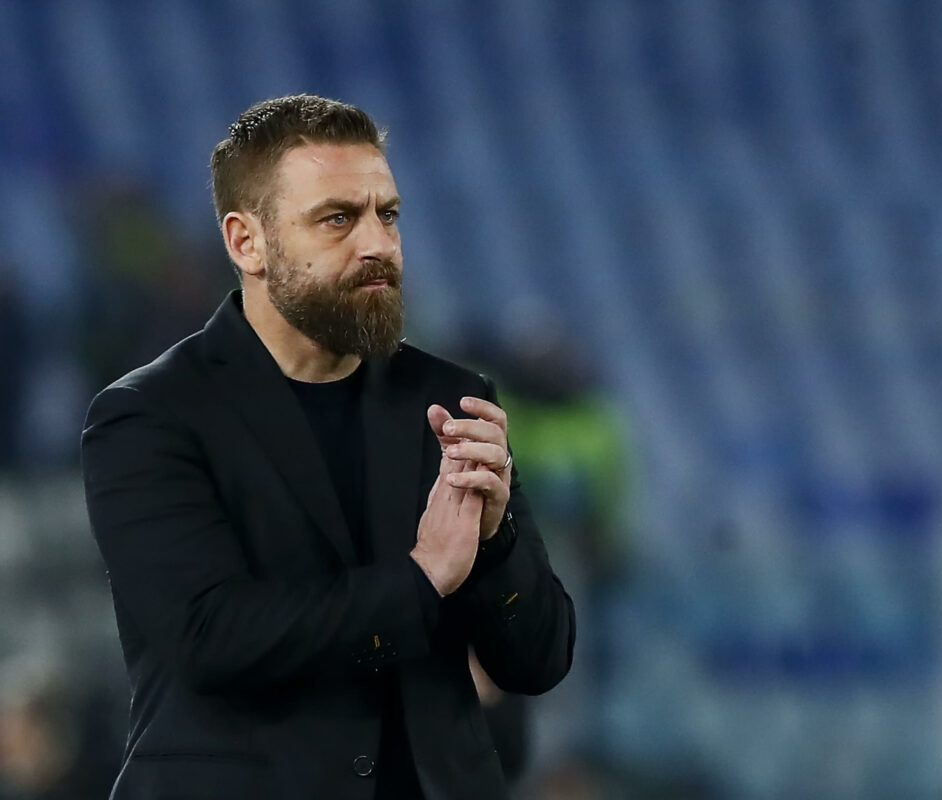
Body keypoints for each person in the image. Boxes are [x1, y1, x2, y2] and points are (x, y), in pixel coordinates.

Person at [80, 95, 575, 800]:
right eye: (337, 218)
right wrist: (420, 579)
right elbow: (210, 640)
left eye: (387, 214)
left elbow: (539, 662)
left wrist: (497, 544)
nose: (378, 244)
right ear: (247, 242)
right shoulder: (150, 416)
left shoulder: (452, 398)